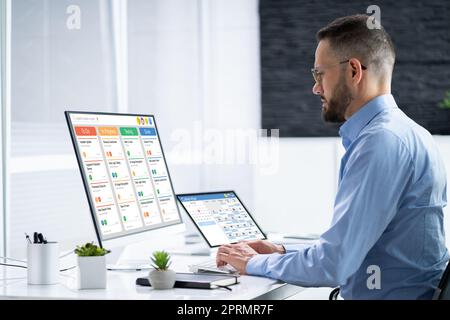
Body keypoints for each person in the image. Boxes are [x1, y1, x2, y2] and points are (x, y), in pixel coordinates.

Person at [216, 14, 449, 299]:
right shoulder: (410, 133)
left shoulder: (380, 142)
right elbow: (356, 246)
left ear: (353, 71)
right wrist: (281, 251)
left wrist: (252, 263)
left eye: (319, 74)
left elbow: (334, 264)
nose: (315, 88)